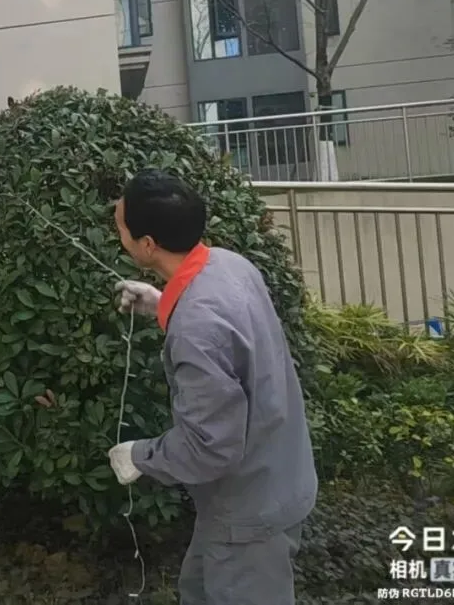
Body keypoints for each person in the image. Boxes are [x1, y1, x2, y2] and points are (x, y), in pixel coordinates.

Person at [107, 169, 317, 605]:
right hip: (267, 477)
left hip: (248, 512)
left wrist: (140, 457)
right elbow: (227, 336)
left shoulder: (197, 325)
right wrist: (163, 303)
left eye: (122, 226)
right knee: (198, 590)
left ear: (148, 245)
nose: (117, 229)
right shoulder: (228, 264)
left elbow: (209, 447)